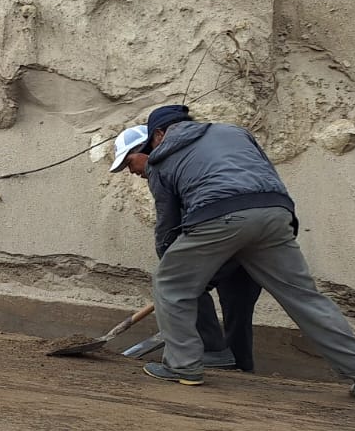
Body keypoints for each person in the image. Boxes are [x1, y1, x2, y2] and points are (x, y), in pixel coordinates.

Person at [127, 104, 355, 397]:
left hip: (219, 215)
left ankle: (182, 366)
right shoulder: (235, 132)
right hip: (276, 212)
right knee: (304, 298)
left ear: (160, 134)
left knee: (169, 283)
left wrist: (175, 264)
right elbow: (264, 170)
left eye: (151, 141)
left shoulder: (161, 158)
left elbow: (168, 225)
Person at [110, 125, 262, 371]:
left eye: (129, 162)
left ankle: (214, 350)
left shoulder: (164, 170)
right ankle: (240, 368)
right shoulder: (195, 164)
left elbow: (167, 223)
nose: (131, 171)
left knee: (185, 282)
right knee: (237, 311)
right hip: (254, 236)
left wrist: (169, 266)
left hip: (228, 236)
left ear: (146, 148)